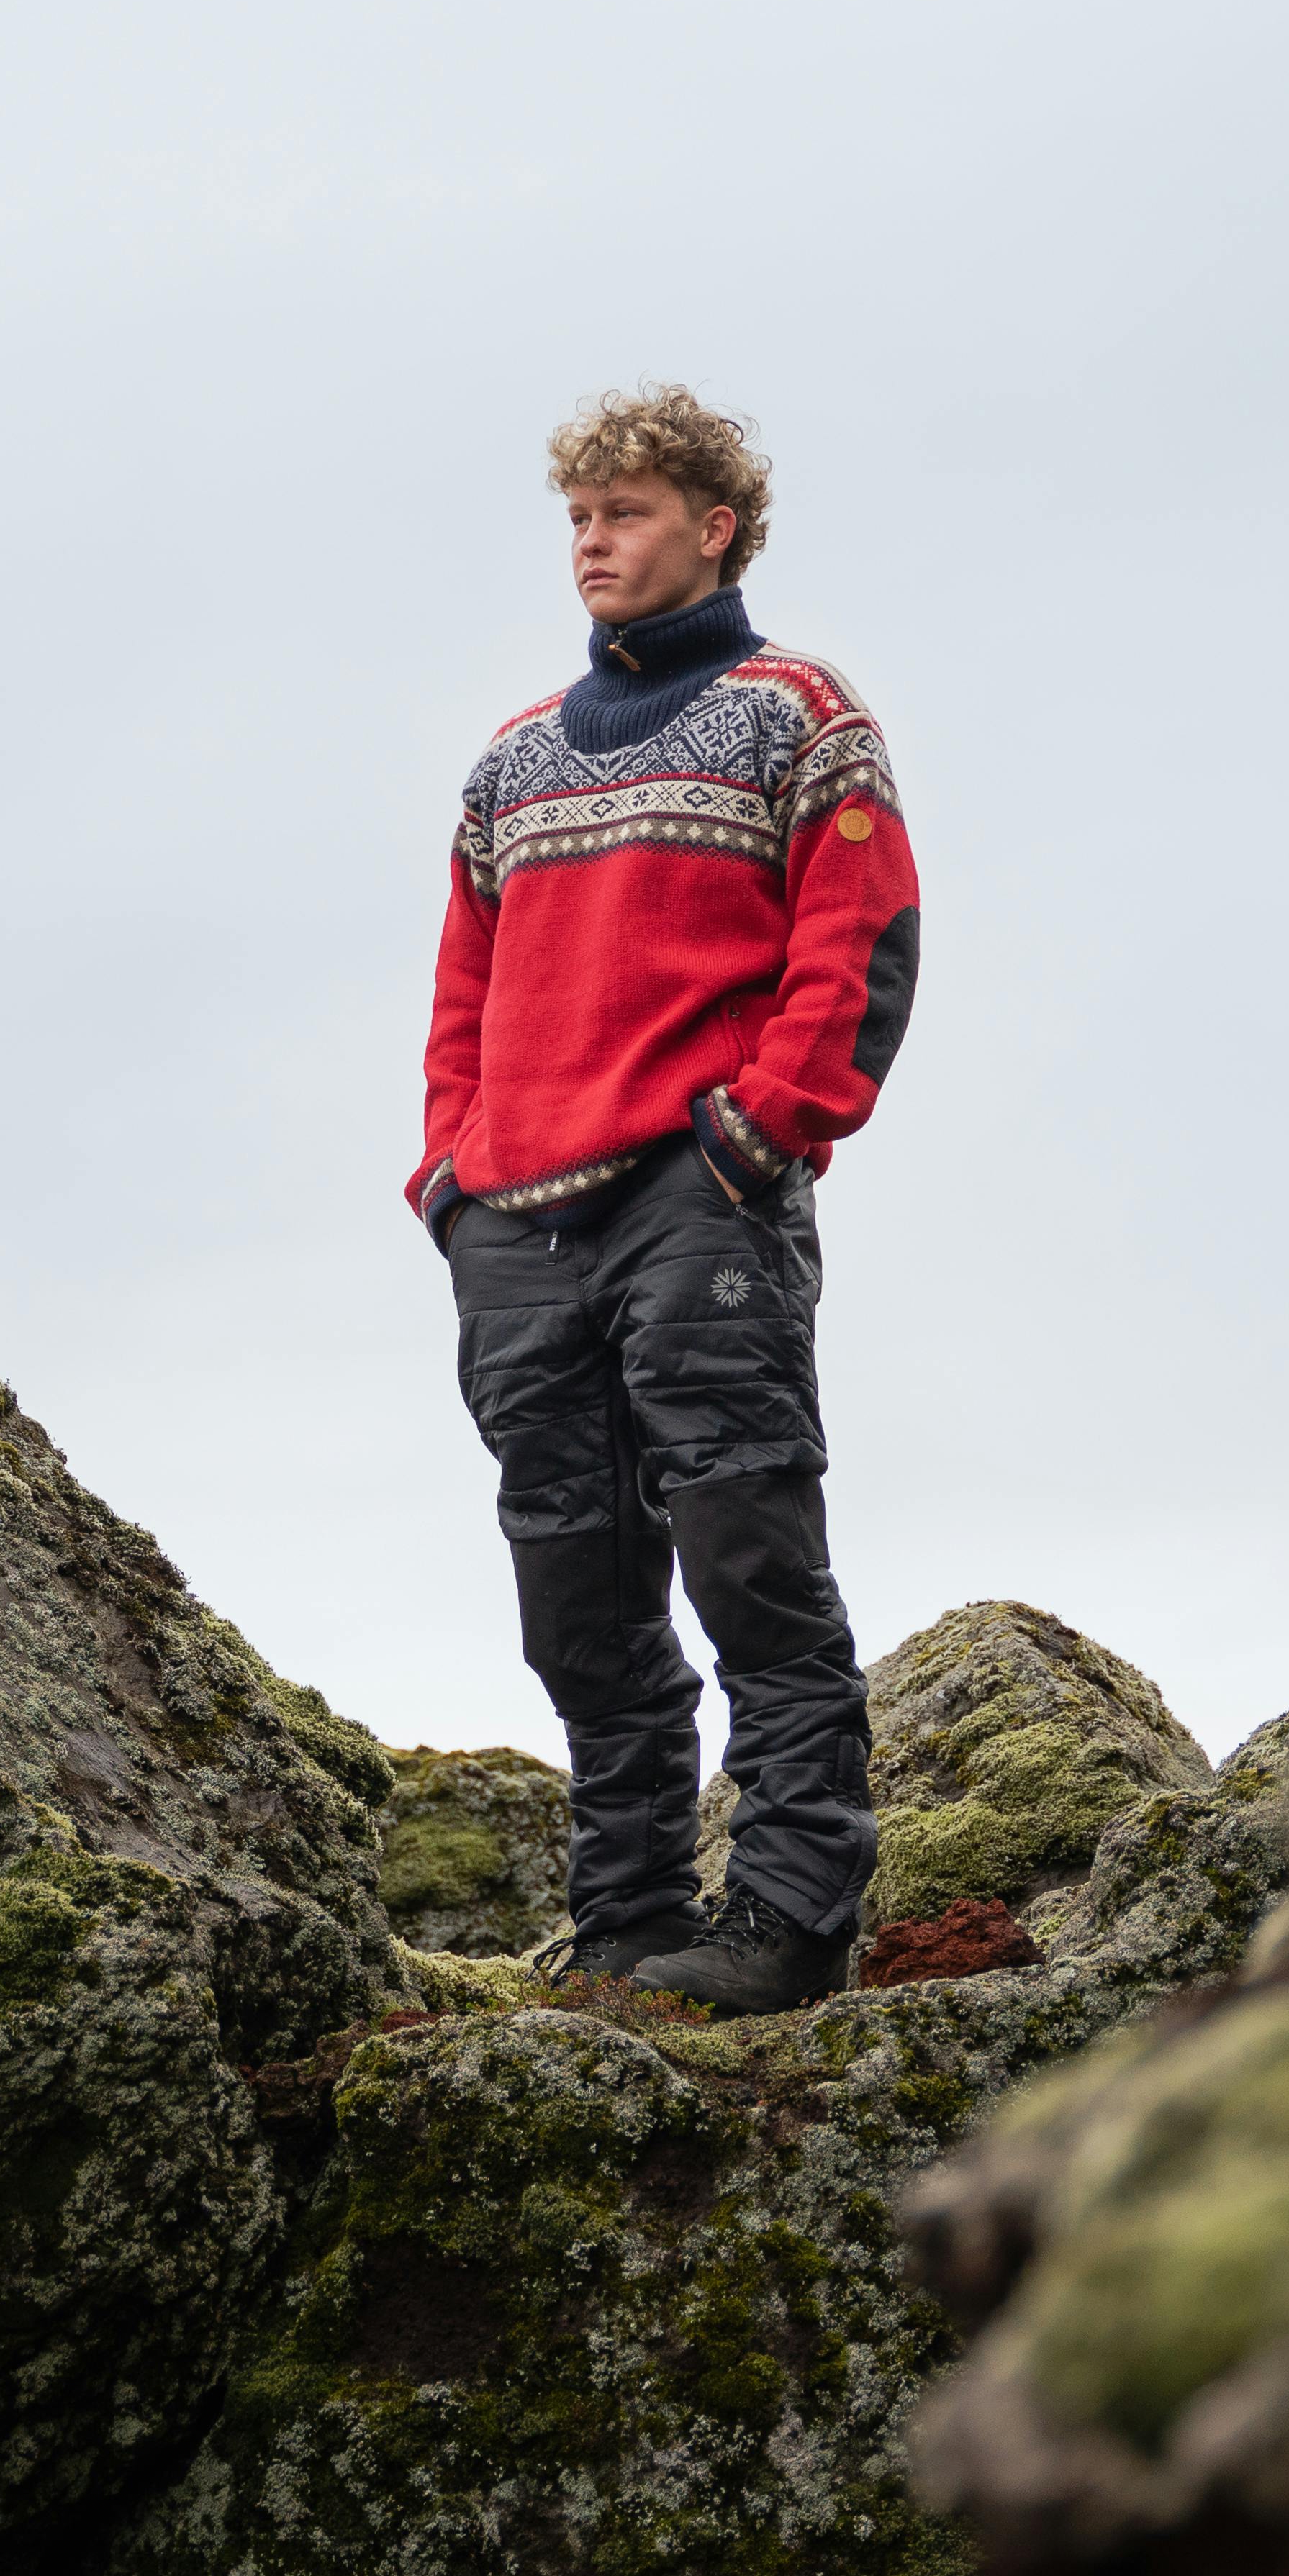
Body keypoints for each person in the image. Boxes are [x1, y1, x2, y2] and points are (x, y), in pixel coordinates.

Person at [408, 386, 921, 2016]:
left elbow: (859, 949)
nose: (591, 543)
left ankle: (786, 1916)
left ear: (714, 526)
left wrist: (761, 1138)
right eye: (577, 517)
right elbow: (460, 990)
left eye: (623, 514)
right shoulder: (513, 762)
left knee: (748, 1552)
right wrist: (449, 1178)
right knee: (573, 1587)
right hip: (517, 1220)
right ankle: (627, 1921)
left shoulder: (798, 714)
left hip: (698, 1197)